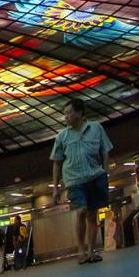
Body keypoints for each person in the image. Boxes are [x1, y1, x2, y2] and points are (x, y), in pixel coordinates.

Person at [51, 98, 114, 264]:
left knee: (92, 214)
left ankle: (91, 251)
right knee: (81, 211)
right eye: (64, 114)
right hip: (74, 180)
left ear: (79, 113)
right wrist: (56, 188)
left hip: (95, 176)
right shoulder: (61, 137)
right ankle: (80, 250)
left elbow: (105, 151)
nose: (66, 117)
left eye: (69, 113)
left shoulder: (96, 128)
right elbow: (57, 163)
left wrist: (105, 172)